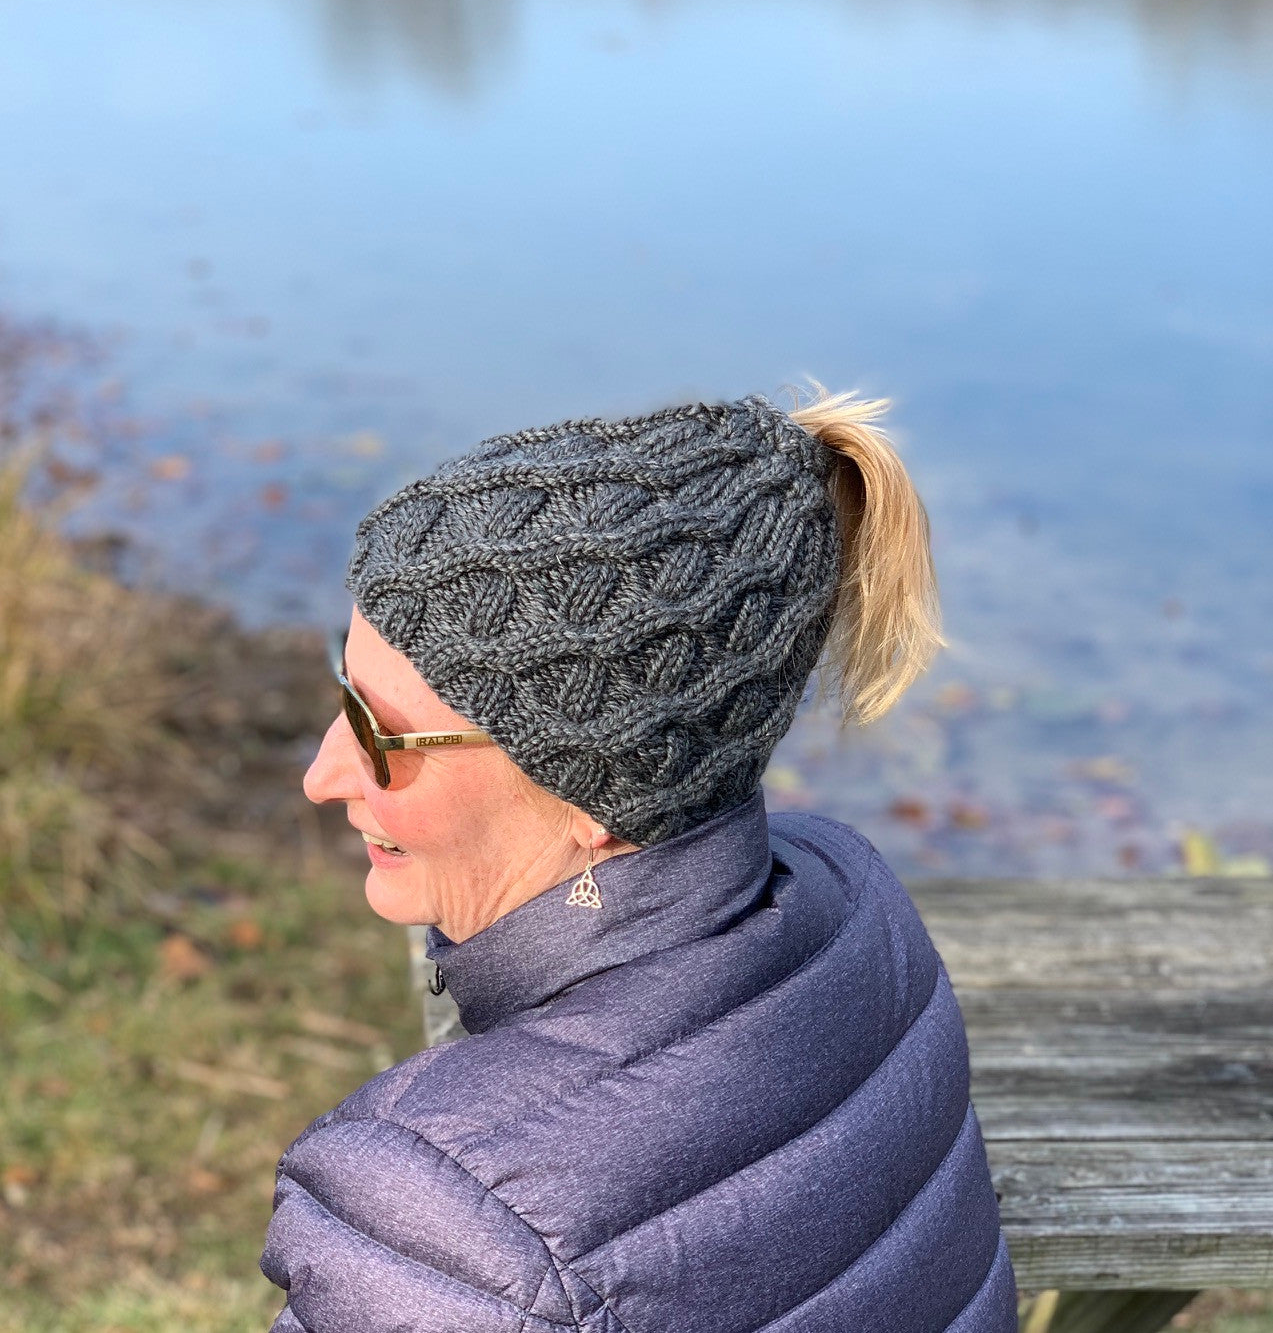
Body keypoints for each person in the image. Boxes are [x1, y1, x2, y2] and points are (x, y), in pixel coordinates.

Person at [260, 384, 1019, 1332]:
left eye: (380, 733)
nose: (321, 775)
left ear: (593, 795)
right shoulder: (853, 899)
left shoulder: (447, 1231)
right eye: (344, 684)